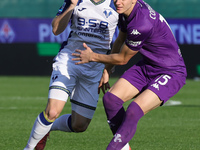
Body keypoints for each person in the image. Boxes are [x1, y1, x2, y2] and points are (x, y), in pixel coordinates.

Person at [72, 0, 187, 149]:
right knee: (111, 99)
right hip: (148, 66)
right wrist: (107, 69)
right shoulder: (126, 11)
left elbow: (122, 59)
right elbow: (120, 39)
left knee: (133, 110)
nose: (118, 2)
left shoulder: (141, 23)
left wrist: (92, 56)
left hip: (171, 72)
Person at [22, 0, 132, 150]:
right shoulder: (76, 1)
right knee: (52, 111)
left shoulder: (116, 3)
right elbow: (55, 29)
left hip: (94, 68)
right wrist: (72, 6)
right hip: (69, 62)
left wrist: (107, 69)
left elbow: (120, 38)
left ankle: (47, 128)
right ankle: (29, 148)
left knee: (79, 125)